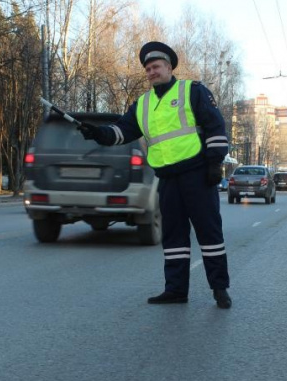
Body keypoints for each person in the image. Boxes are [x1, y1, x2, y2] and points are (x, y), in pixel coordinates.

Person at [79, 41, 232, 309]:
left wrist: (214, 164)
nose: (151, 72)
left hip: (198, 175)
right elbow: (122, 131)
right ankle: (175, 290)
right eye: (148, 69)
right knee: (173, 238)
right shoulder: (143, 104)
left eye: (156, 66)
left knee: (209, 234)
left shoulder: (192, 91)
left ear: (169, 67)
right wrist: (99, 133)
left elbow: (215, 126)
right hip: (168, 179)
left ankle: (220, 289)